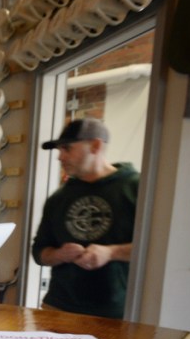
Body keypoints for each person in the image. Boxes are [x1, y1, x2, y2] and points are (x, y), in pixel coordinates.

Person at [31, 118, 139, 319]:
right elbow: (39, 252)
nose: (60, 157)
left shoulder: (137, 188)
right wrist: (59, 254)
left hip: (116, 314)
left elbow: (156, 250)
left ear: (96, 146)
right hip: (57, 309)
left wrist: (111, 252)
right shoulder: (59, 198)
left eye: (67, 149)